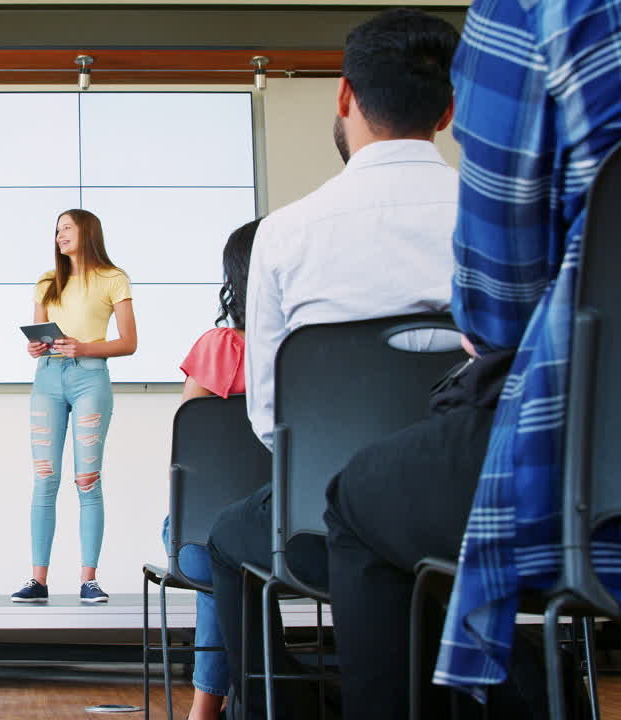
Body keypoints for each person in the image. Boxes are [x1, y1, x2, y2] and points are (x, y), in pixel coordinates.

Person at [324, 0, 621, 717]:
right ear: (446, 106)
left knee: (357, 499)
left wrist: (483, 328)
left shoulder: (534, 13)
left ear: (345, 98)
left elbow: (503, 301)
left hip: (587, 487)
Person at [204, 9, 461, 718]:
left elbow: (269, 419)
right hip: (477, 512)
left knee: (230, 538)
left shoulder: (286, 234)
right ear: (448, 108)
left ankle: (280, 707)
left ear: (346, 97)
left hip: (327, 519)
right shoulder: (492, 214)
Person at [11, 209, 137, 605]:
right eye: (57, 229)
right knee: (44, 478)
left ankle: (89, 579)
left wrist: (83, 347)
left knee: (87, 480)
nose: (60, 234)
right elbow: (38, 336)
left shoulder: (114, 279)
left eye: (67, 228)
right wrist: (35, 346)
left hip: (90, 378)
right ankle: (37, 580)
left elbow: (129, 341)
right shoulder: (47, 281)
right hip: (48, 378)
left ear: (88, 231)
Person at [162, 217, 260, 720]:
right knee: (229, 560)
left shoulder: (217, 348)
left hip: (205, 536)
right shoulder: (312, 350)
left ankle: (205, 709)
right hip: (292, 536)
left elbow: (191, 448)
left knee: (211, 553)